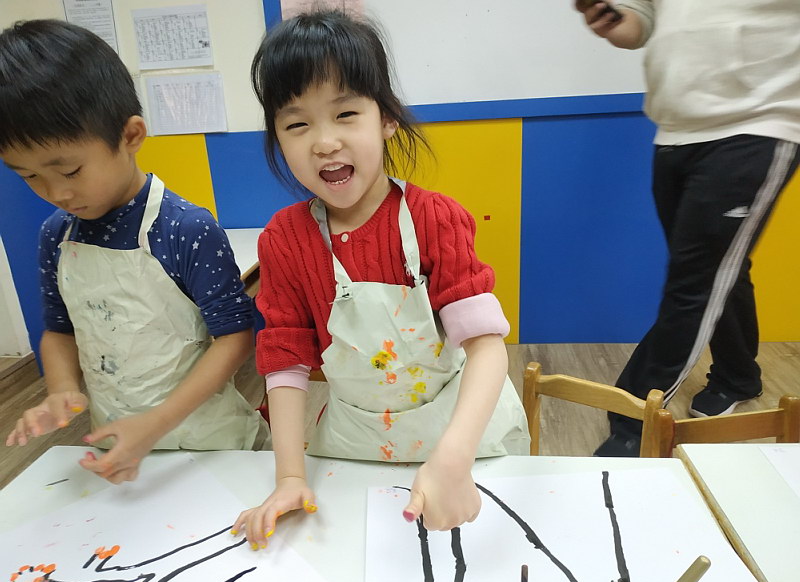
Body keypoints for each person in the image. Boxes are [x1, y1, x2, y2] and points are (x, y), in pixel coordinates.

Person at [231, 9, 530, 548]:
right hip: (357, 445)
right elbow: (285, 361)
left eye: (345, 113)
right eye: (297, 124)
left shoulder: (435, 219)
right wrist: (291, 477)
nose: (324, 142)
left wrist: (454, 458)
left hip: (463, 440)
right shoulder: (284, 240)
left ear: (386, 118)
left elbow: (487, 348)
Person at [0, 19, 269, 482]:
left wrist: (157, 423)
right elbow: (59, 331)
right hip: (119, 451)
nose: (56, 193)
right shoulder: (55, 235)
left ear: (130, 136)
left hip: (213, 444)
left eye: (70, 171)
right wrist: (62, 391)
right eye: (30, 176)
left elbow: (235, 338)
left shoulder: (185, 228)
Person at [576, 1, 800, 456]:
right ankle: (738, 375)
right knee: (720, 271)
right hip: (675, 133)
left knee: (693, 284)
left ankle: (632, 424)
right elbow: (639, 27)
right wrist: (613, 18)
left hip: (756, 124)